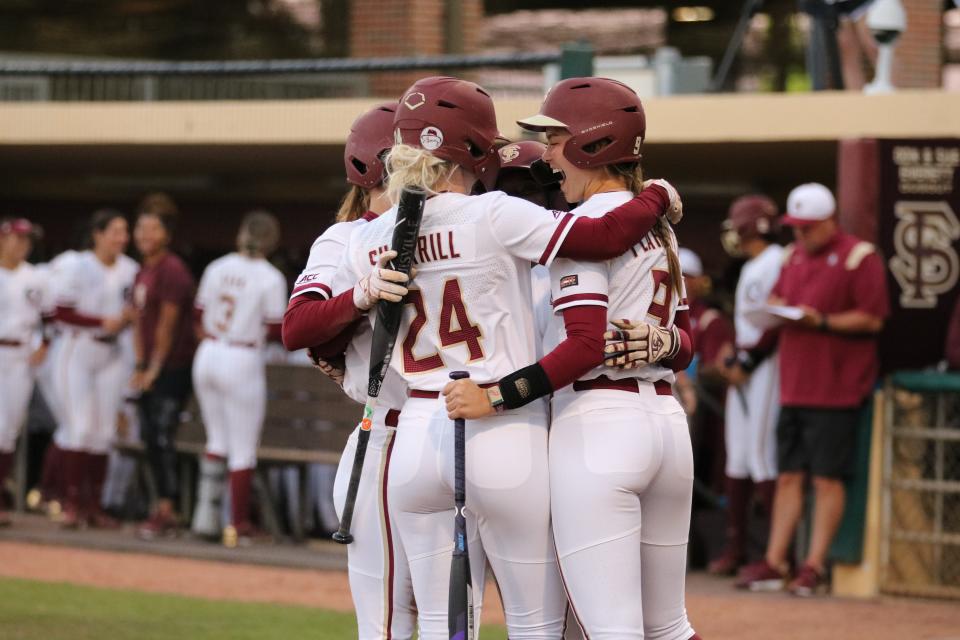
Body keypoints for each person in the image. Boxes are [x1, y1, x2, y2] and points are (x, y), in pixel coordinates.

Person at [325, 75, 683, 640]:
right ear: (471, 145)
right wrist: (658, 195)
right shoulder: (493, 213)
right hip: (502, 425)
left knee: (444, 628)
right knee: (537, 626)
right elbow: (602, 236)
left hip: (416, 430)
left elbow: (312, 326)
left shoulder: (364, 239)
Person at [446, 76, 700, 640]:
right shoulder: (657, 226)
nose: (548, 155)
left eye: (556, 139)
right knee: (669, 627)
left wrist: (495, 397)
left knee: (611, 630)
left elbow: (584, 346)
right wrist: (663, 346)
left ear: (593, 143)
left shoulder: (586, 224)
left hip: (597, 428)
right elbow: (686, 341)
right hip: (665, 425)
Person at [284, 101, 418, 640]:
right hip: (386, 433)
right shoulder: (344, 238)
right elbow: (297, 327)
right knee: (392, 623)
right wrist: (357, 299)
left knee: (441, 619)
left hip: (448, 433)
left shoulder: (455, 222)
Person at [736, 182, 889, 596]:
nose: (800, 235)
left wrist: (819, 320)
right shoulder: (792, 256)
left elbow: (873, 318)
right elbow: (779, 300)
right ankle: (775, 561)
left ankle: (814, 565)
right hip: (795, 384)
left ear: (829, 222)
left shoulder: (860, 257)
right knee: (788, 476)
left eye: (808, 228)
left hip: (837, 387)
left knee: (826, 480)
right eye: (796, 228)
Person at [191, 210, 288, 547]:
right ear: (271, 242)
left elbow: (199, 314)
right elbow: (277, 329)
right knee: (243, 450)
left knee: (217, 440)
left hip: (208, 352)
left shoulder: (217, 267)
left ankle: (205, 519)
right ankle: (238, 524)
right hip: (242, 355)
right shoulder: (270, 276)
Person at [708, 195, 784, 576]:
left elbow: (776, 320)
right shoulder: (754, 264)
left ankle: (774, 556)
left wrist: (749, 360)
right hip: (746, 362)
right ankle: (737, 547)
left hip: (767, 366)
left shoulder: (776, 261)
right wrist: (733, 354)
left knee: (761, 454)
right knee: (737, 454)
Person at [54, 209, 139, 529]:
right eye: (115, 231)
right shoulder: (78, 265)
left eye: (124, 232)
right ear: (98, 234)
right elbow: (61, 311)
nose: (122, 238)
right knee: (80, 426)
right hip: (78, 347)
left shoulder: (131, 269)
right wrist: (101, 321)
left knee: (104, 432)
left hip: (113, 351)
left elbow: (136, 308)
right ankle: (71, 503)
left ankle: (94, 506)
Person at [131, 193, 198, 539]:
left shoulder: (172, 269)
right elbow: (138, 320)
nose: (143, 234)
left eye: (151, 228)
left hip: (173, 367)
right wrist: (140, 364)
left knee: (161, 435)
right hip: (151, 367)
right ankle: (160, 505)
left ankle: (168, 509)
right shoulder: (143, 269)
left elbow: (166, 327)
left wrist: (153, 369)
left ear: (166, 234)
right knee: (149, 437)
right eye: (140, 227)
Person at [0, 217, 47, 527]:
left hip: (20, 356)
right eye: (17, 238)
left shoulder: (37, 277)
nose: (22, 245)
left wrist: (43, 344)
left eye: (27, 240)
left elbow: (48, 318)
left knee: (8, 432)